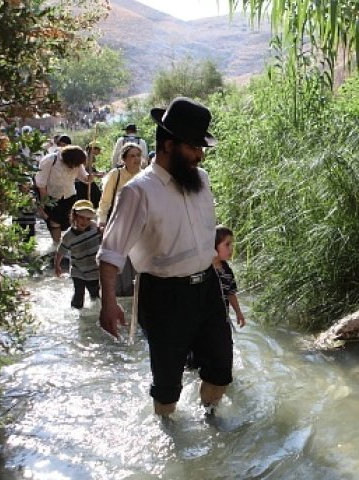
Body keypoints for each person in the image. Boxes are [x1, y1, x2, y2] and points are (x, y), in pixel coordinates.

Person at [97, 97, 228, 417]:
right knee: (168, 386)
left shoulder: (202, 180)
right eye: (193, 147)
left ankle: (211, 422)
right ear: (169, 145)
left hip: (208, 288)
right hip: (164, 296)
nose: (199, 154)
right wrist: (109, 303)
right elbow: (111, 251)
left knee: (221, 371)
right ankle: (170, 436)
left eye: (201, 148)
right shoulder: (138, 192)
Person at [186, 225, 246, 375]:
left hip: (220, 320)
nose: (231, 248)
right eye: (227, 244)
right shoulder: (202, 269)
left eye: (231, 244)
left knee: (222, 351)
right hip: (200, 321)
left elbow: (231, 293)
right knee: (195, 357)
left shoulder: (227, 271)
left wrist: (238, 312)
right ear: (213, 247)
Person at [96, 143, 144, 297]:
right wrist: (102, 220)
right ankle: (115, 293)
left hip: (140, 223)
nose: (136, 159)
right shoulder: (115, 175)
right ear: (124, 159)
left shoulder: (146, 176)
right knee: (118, 256)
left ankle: (135, 290)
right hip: (118, 222)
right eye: (132, 156)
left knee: (137, 257)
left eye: (138, 155)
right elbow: (105, 201)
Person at [34, 145, 92, 244]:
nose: (74, 167)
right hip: (51, 196)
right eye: (72, 165)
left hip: (69, 195)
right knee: (54, 222)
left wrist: (88, 178)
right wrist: (45, 202)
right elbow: (40, 183)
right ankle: (56, 246)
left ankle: (69, 245)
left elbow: (83, 177)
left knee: (71, 221)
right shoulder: (50, 160)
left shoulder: (77, 162)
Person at [54, 200, 102, 309]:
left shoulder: (95, 228)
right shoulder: (68, 236)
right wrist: (57, 265)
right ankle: (75, 312)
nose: (84, 222)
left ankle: (96, 312)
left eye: (88, 219)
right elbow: (61, 251)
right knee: (78, 294)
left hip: (94, 270)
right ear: (74, 216)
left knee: (95, 294)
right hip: (77, 270)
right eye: (81, 217)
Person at [75, 143, 103, 209]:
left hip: (87, 180)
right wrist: (96, 175)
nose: (98, 153)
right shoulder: (84, 157)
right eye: (98, 150)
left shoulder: (91, 157)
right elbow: (83, 171)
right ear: (94, 149)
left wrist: (97, 173)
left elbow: (91, 169)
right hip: (81, 181)